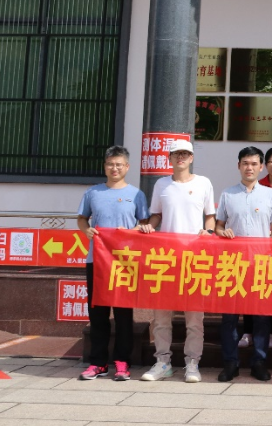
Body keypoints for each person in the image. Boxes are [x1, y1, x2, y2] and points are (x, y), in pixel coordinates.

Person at [139, 139, 214, 383]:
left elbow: (210, 217)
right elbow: (156, 215)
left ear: (191, 158)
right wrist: (148, 227)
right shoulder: (162, 184)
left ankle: (192, 363)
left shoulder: (204, 183)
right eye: (176, 154)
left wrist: (208, 232)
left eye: (185, 153)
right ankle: (163, 362)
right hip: (166, 259)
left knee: (194, 318)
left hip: (194, 259)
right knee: (162, 317)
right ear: (169, 158)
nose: (180, 157)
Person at [77, 146, 149, 381]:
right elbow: (82, 218)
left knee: (123, 314)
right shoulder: (93, 192)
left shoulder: (136, 194)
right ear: (104, 166)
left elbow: (144, 224)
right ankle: (98, 363)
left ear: (127, 167)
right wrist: (87, 230)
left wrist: (132, 231)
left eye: (119, 164)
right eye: (110, 164)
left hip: (124, 262)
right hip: (97, 259)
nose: (114, 168)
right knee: (97, 312)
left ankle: (122, 362)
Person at [214, 146, 272, 383]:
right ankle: (230, 363)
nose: (249, 168)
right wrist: (223, 232)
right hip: (233, 264)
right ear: (239, 166)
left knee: (261, 316)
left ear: (261, 167)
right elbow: (218, 226)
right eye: (245, 163)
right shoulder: (228, 194)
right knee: (230, 317)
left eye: (254, 164)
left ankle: (259, 362)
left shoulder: (270, 195)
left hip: (261, 263)